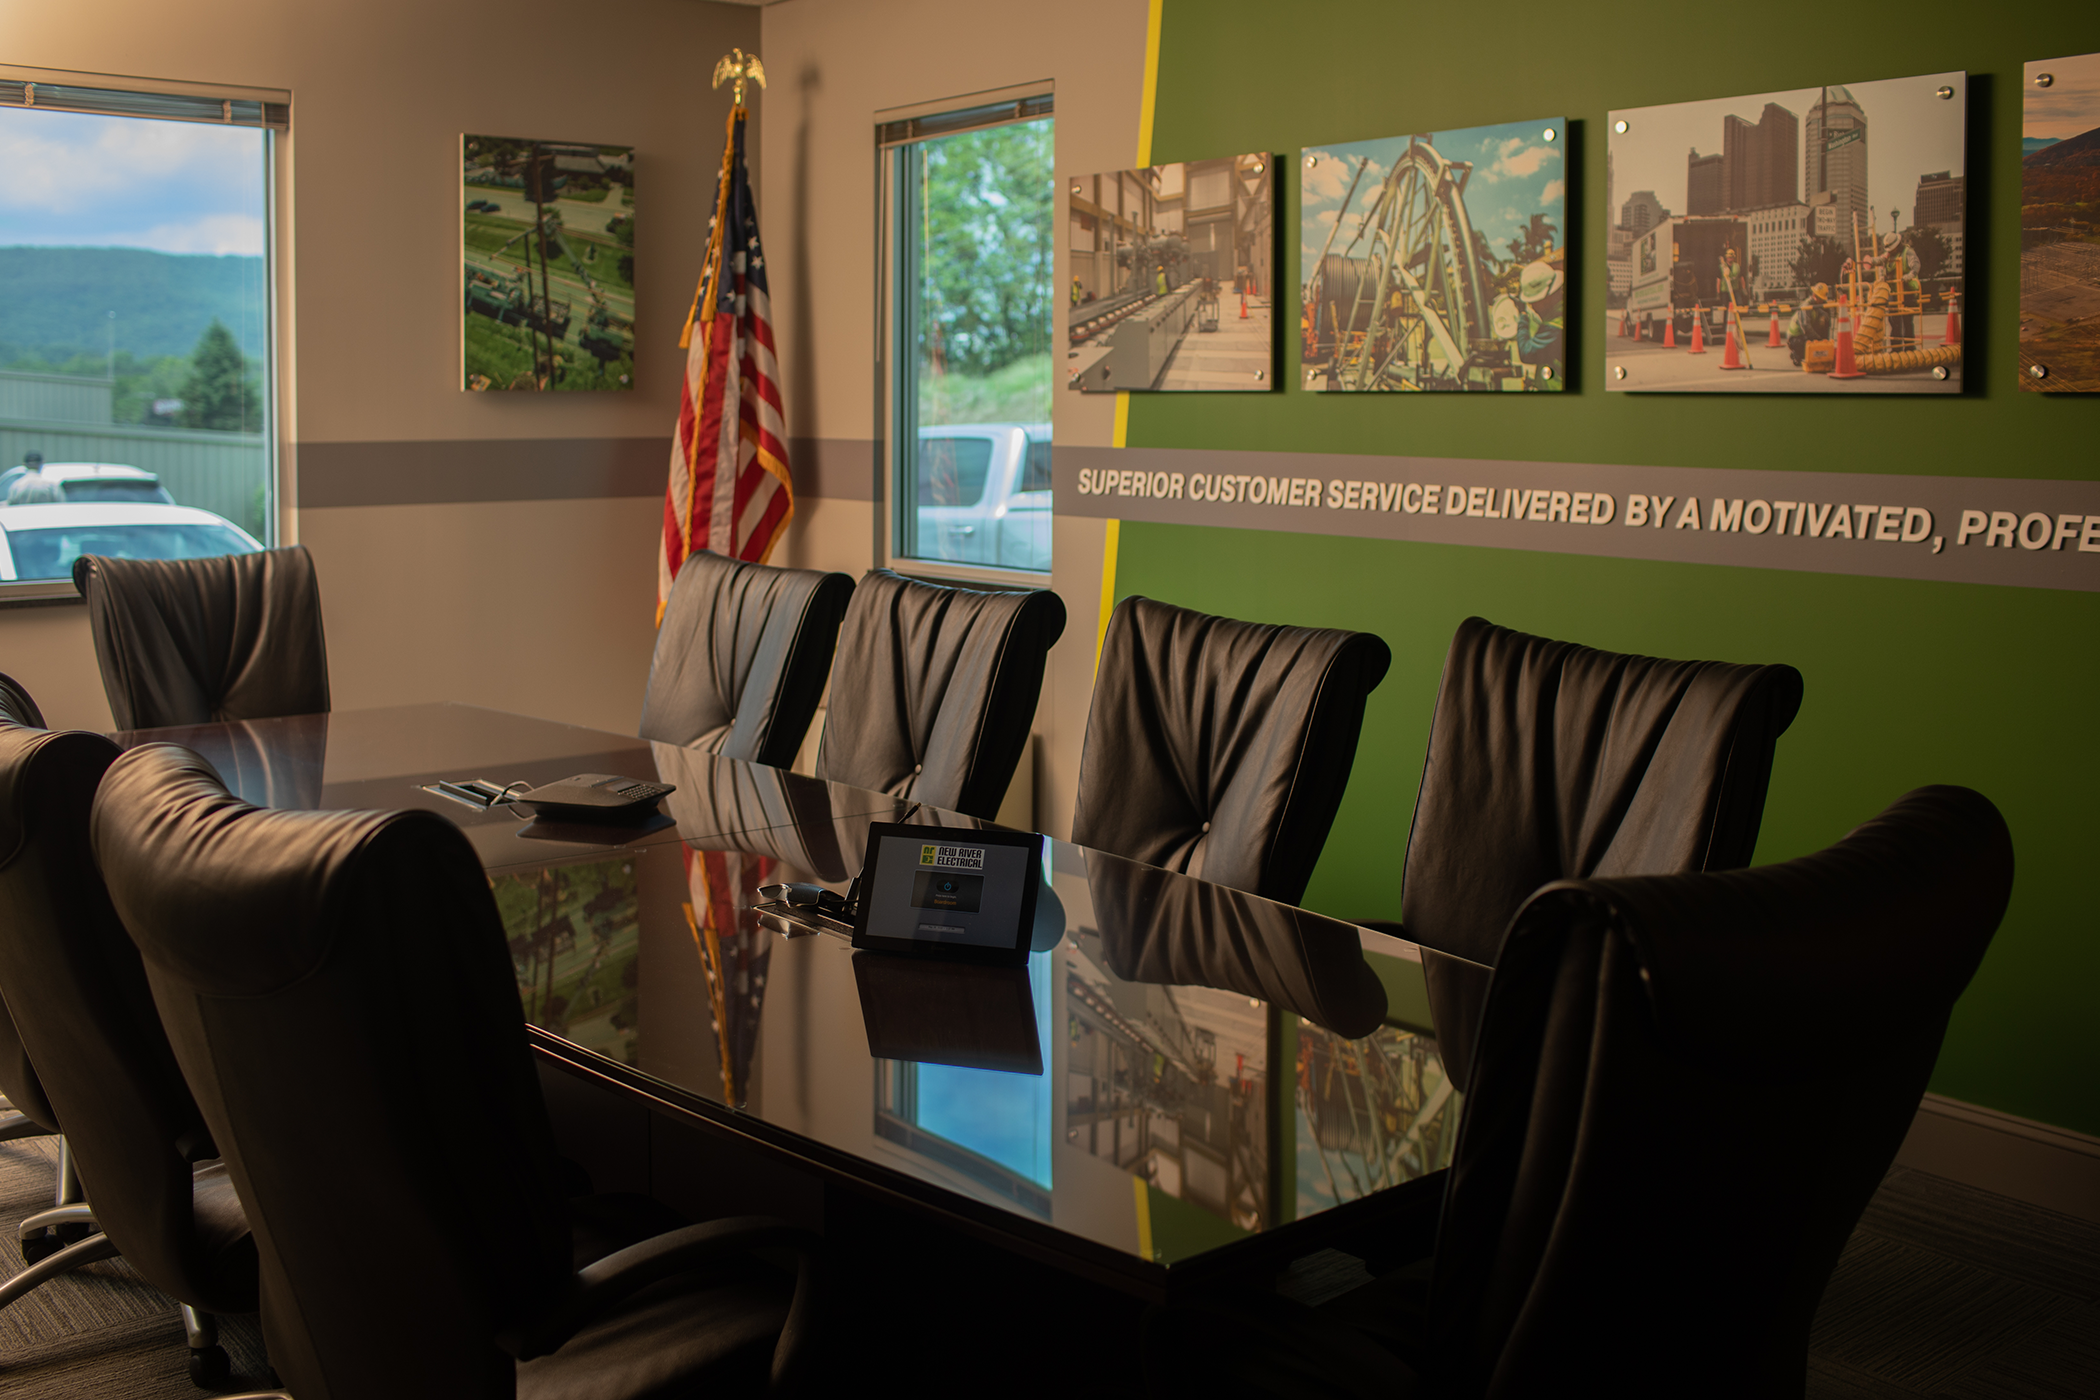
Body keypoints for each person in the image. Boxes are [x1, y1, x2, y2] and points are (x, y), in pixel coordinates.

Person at [1516, 253, 1565, 369]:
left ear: (1549, 296)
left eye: (1535, 301)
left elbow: (1527, 353)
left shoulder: (1555, 323)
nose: (1532, 306)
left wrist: (1523, 317)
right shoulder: (1555, 313)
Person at [1787, 283, 1835, 367]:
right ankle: (1797, 354)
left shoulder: (1815, 305)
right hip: (1795, 338)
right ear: (1814, 295)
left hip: (1803, 335)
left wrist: (1824, 317)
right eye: (1820, 298)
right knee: (1812, 351)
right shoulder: (1806, 306)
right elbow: (1806, 328)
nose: (1822, 301)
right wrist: (1818, 339)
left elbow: (1824, 314)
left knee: (1823, 321)